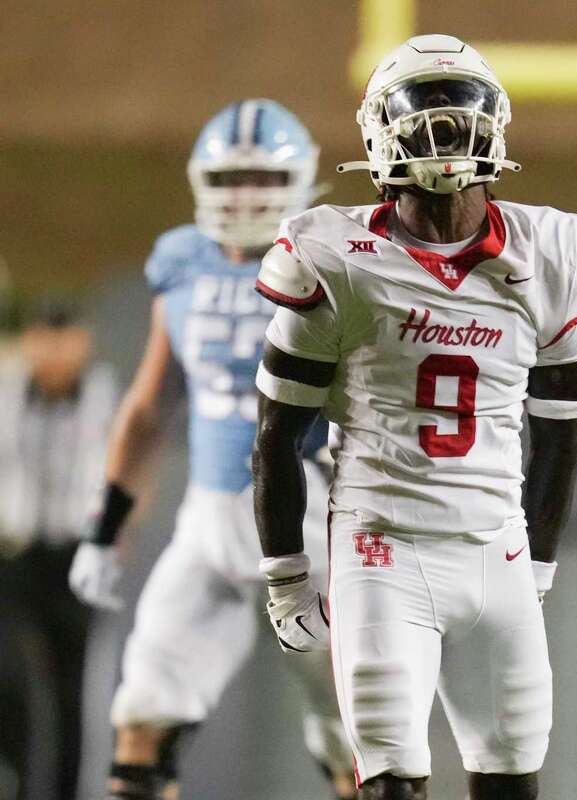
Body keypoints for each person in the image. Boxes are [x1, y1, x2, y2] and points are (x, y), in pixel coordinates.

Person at [251, 34, 577, 800]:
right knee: (390, 783)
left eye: (459, 110)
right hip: (383, 551)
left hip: (496, 548)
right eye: (424, 112)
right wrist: (285, 575)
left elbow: (562, 426)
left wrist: (536, 561)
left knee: (511, 784)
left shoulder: (551, 249)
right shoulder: (332, 254)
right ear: (380, 132)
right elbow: (277, 434)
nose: (444, 129)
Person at [66, 99, 355, 800]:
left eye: (260, 179)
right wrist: (106, 531)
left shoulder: (335, 261)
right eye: (229, 180)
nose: (245, 196)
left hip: (313, 523)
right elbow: (149, 405)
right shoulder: (183, 262)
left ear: (297, 181)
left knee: (362, 739)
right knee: (139, 725)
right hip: (209, 520)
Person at [0, 303, 116, 800]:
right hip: (16, 555)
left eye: (62, 337)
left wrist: (113, 537)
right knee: (11, 681)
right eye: (42, 337)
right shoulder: (8, 394)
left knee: (71, 695)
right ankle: (22, 784)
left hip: (77, 555)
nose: (52, 352)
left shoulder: (102, 395)